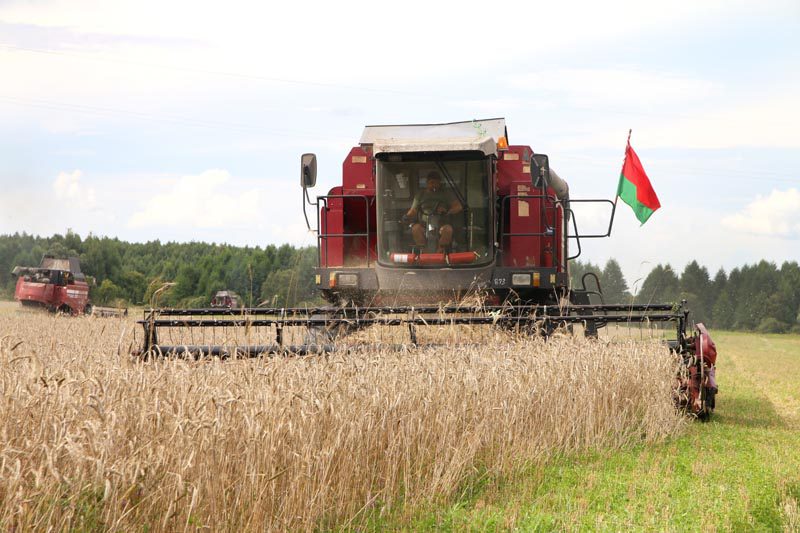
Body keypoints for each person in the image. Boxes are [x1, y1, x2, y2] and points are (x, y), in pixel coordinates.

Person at [403, 171, 463, 252]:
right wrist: (406, 217)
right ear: (427, 183)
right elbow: (413, 210)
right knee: (415, 229)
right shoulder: (420, 195)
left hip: (442, 223)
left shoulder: (445, 194)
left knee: (448, 230)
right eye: (432, 182)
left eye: (437, 183)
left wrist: (448, 211)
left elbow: (458, 206)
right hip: (423, 224)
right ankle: (425, 252)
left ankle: (440, 252)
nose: (434, 185)